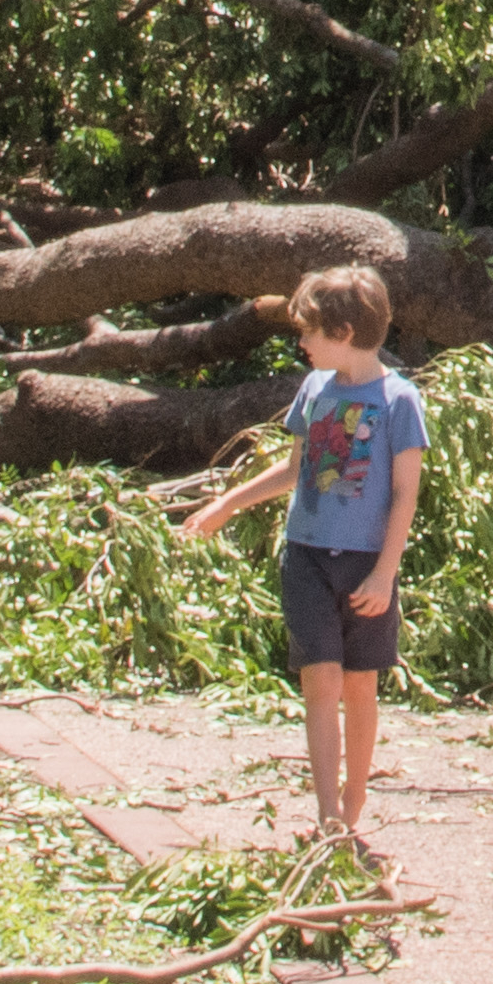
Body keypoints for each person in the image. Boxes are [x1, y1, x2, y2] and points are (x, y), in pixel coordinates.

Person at [183, 262, 429, 850]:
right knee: (318, 681)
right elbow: (294, 470)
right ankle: (328, 817)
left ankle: (355, 801)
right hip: (307, 558)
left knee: (358, 686)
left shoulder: (399, 400)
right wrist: (226, 506)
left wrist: (385, 572)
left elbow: (404, 493)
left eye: (309, 331)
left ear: (343, 332)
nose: (301, 342)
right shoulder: (315, 391)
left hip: (367, 564)